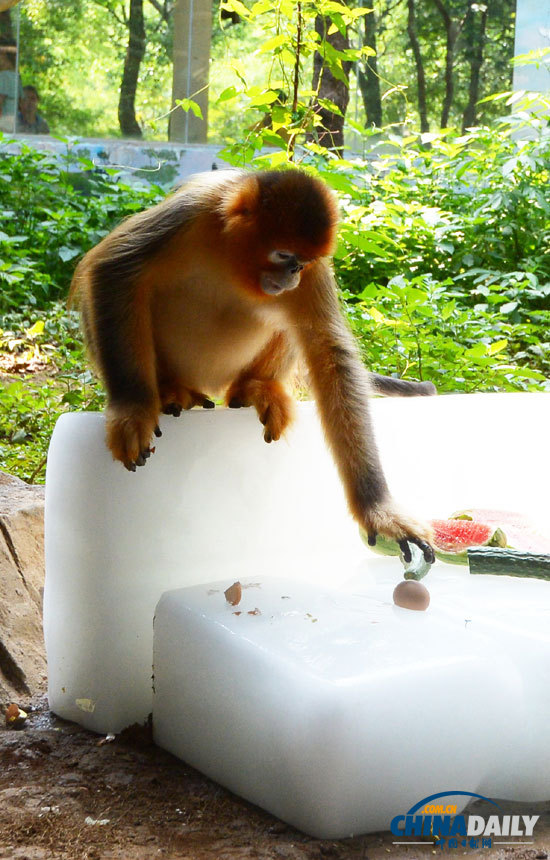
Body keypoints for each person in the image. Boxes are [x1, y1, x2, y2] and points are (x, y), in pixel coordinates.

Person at [0, 39, 22, 133]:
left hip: (4, 122)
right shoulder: (17, 76)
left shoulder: (4, 76)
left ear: (4, 56)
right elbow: (21, 102)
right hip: (14, 122)